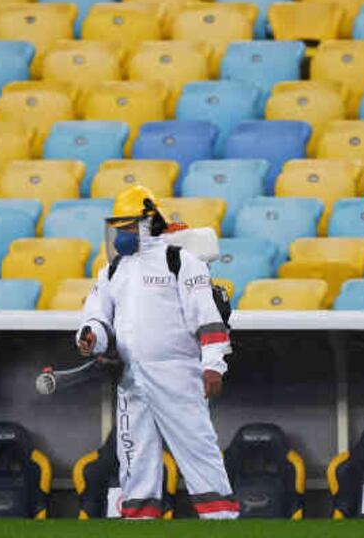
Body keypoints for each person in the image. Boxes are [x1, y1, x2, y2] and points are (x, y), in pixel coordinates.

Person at [77, 184, 238, 520]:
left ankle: (221, 519)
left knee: (197, 446)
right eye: (117, 226)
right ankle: (139, 520)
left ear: (149, 220)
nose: (120, 233)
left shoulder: (180, 261)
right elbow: (96, 316)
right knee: (134, 453)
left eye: (127, 225)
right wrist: (90, 336)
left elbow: (208, 320)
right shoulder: (112, 270)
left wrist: (213, 366)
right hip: (130, 377)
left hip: (178, 372)